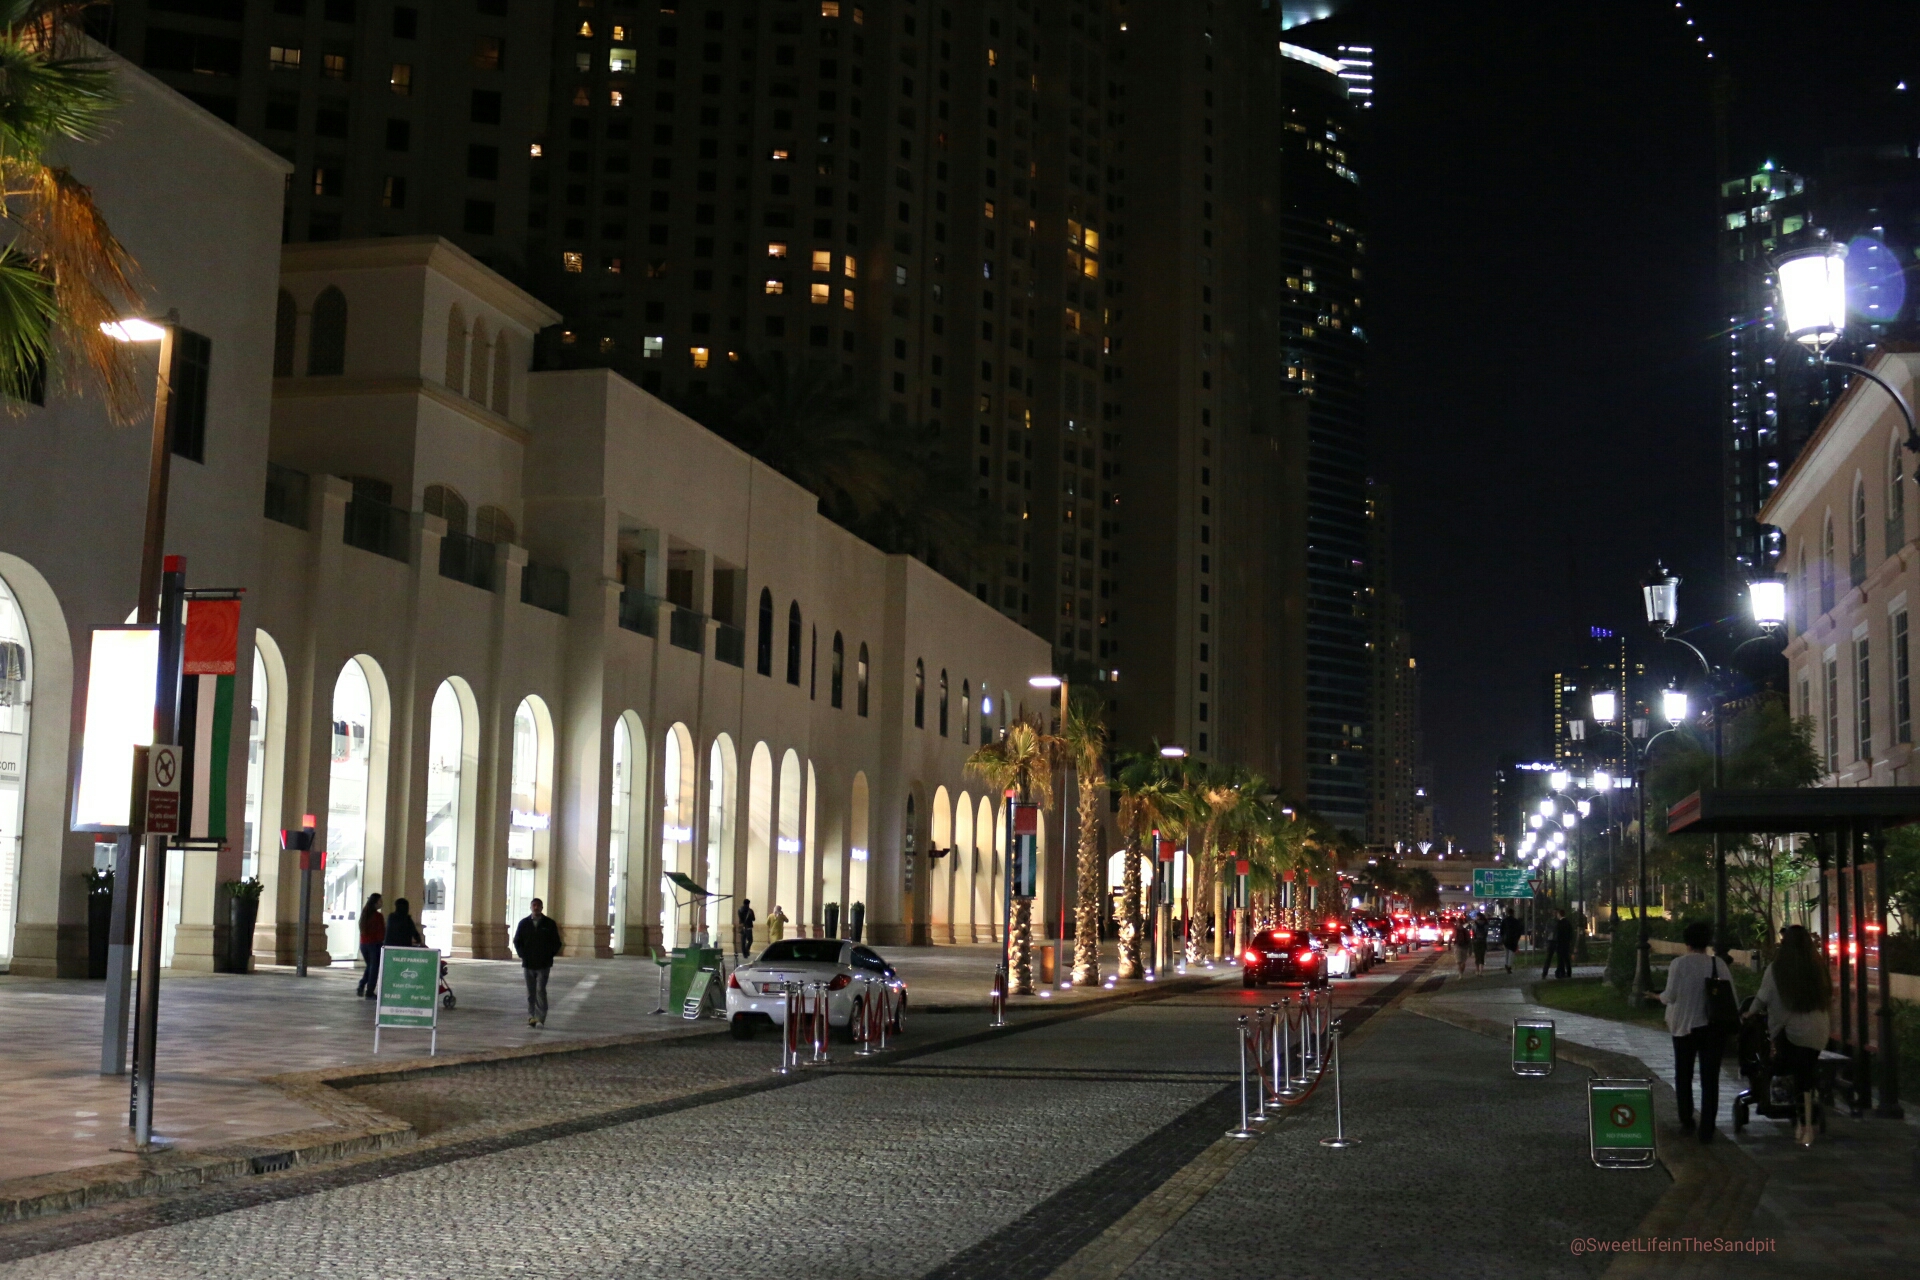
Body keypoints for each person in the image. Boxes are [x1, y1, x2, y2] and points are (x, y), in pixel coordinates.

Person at [1751, 923, 1831, 1146]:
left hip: (1792, 1033)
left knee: (1795, 1071)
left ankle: (1804, 1124)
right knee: (1806, 1072)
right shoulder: (1818, 968)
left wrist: (1749, 1013)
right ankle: (1807, 1119)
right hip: (1818, 1032)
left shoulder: (1777, 969)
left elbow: (1762, 998)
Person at [1661, 919, 1733, 1143]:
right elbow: (1730, 995)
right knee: (1710, 1079)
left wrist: (1657, 997)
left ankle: (1687, 1120)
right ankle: (1707, 1128)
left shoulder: (1679, 964)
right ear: (1707, 941)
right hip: (1712, 1028)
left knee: (1684, 1075)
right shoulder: (1718, 964)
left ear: (1687, 942)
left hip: (1685, 1027)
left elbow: (1670, 996)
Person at [512, 897, 563, 1027]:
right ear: (530, 907)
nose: (536, 907)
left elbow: (557, 942)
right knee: (530, 992)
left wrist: (548, 955)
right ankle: (531, 1016)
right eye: (534, 905)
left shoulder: (549, 924)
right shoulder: (524, 923)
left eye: (538, 905)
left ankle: (540, 1017)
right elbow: (517, 941)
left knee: (540, 990)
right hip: (528, 964)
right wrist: (522, 955)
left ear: (542, 908)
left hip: (543, 964)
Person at [355, 892, 385, 998]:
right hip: (374, 945)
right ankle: (370, 991)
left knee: (370, 966)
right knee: (374, 969)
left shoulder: (365, 914)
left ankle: (362, 985)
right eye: (380, 901)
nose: (382, 903)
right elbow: (381, 932)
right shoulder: (378, 916)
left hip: (363, 944)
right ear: (375, 902)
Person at [1553, 909, 1575, 979]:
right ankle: (1568, 972)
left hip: (1560, 944)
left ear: (1559, 914)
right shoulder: (1568, 923)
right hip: (1566, 943)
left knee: (1560, 959)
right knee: (1566, 958)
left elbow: (1558, 934)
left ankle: (1560, 972)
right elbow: (1570, 933)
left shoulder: (1559, 923)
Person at [1499, 909, 1523, 974]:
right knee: (1511, 953)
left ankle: (1506, 964)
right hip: (1513, 939)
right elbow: (1519, 931)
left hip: (1506, 939)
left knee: (1506, 952)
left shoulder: (1504, 921)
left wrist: (1502, 938)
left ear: (1507, 913)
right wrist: (1517, 938)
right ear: (1513, 913)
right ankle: (1509, 966)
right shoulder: (1516, 921)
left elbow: (1501, 931)